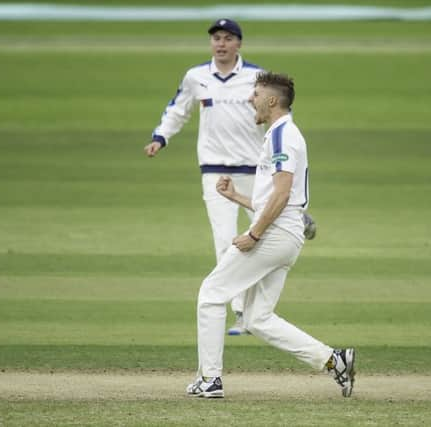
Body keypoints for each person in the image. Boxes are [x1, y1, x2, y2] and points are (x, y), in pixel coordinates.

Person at [186, 72, 355, 399]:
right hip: (286, 233)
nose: (251, 99)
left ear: (272, 101)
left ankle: (210, 380)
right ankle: (334, 360)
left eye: (257, 94)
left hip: (275, 233)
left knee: (211, 294)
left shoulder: (282, 136)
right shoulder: (280, 135)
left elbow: (281, 194)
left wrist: (253, 233)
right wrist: (238, 197)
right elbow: (276, 199)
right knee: (257, 317)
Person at [145, 19, 316, 336]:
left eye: (227, 38)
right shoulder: (196, 77)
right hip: (215, 170)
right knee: (226, 240)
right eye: (215, 39)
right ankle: (240, 311)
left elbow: (278, 119)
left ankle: (295, 215)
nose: (220, 44)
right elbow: (178, 110)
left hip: (255, 169)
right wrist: (161, 137)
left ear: (238, 43)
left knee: (262, 228)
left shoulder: (257, 80)